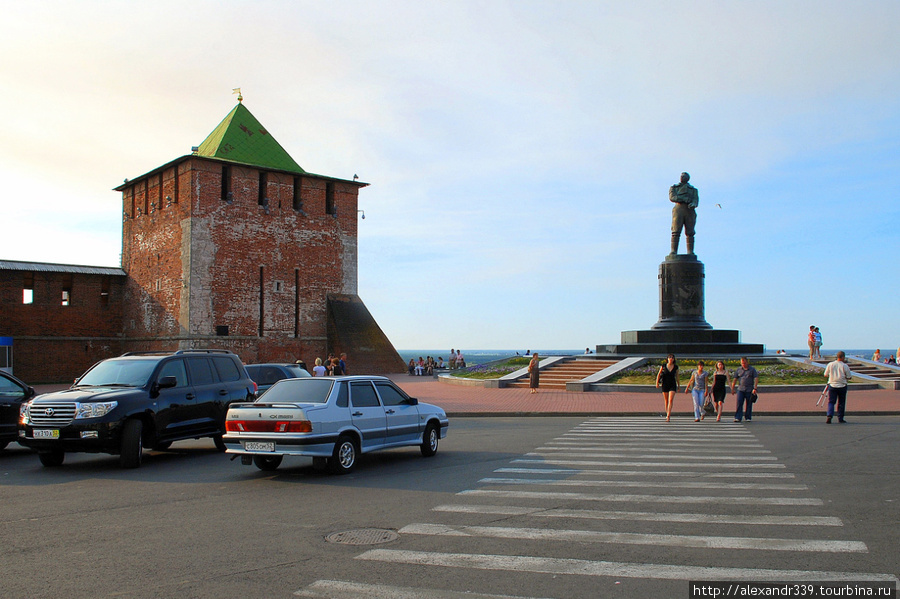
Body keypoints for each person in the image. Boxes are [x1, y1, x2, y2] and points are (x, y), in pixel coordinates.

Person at [669, 172, 699, 255]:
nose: (682, 177)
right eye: (681, 175)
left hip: (689, 211)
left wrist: (693, 204)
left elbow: (695, 201)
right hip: (678, 210)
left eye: (684, 176)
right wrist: (684, 199)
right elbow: (672, 197)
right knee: (675, 231)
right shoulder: (674, 188)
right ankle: (673, 251)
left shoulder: (693, 190)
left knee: (690, 232)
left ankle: (690, 252)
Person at [823, 351, 852, 424]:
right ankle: (840, 418)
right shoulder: (845, 366)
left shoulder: (830, 364)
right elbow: (849, 377)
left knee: (831, 402)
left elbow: (825, 374)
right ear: (843, 357)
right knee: (841, 402)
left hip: (832, 385)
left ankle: (829, 415)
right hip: (842, 385)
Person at [730, 357, 759, 422]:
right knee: (739, 403)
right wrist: (732, 388)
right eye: (742, 363)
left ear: (747, 362)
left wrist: (755, 388)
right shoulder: (738, 369)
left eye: (744, 363)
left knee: (749, 403)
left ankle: (748, 417)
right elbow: (735, 379)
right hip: (740, 389)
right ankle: (738, 417)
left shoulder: (752, 369)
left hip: (749, 389)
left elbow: (756, 378)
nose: (743, 364)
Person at [655, 354, 679, 422]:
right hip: (665, 384)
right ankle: (667, 413)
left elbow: (677, 376)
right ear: (667, 359)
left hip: (672, 384)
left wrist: (679, 386)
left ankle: (668, 415)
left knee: (670, 400)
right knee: (666, 400)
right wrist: (657, 383)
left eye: (672, 357)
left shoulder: (676, 367)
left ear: (674, 359)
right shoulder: (664, 366)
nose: (671, 359)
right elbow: (659, 374)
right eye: (669, 357)